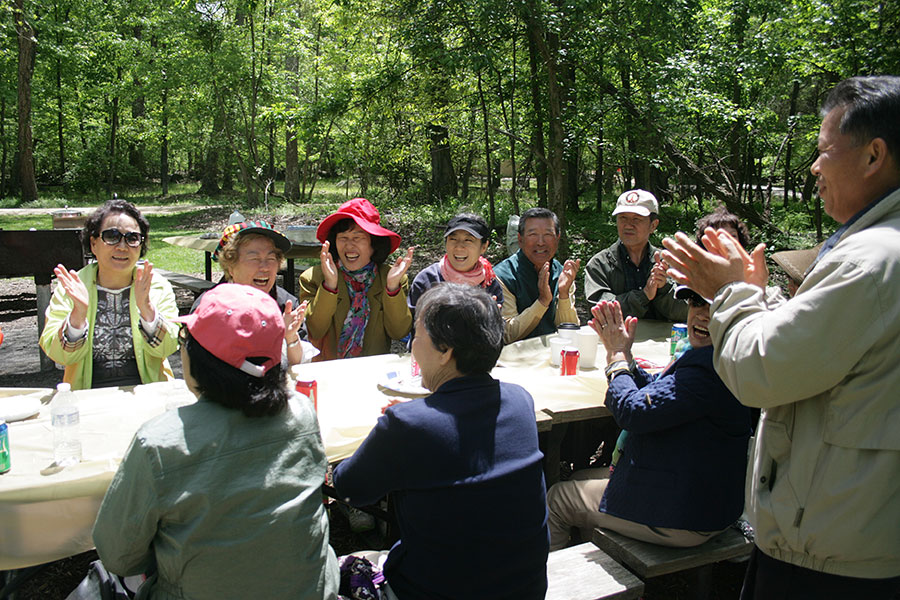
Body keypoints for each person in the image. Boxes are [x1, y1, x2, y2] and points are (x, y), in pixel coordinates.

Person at [661, 75, 900, 599]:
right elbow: (810, 352)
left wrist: (728, 294)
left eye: (823, 151)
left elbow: (762, 373)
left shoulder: (872, 261)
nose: (814, 167)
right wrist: (756, 295)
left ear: (873, 154)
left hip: (830, 562)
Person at [92, 284, 339, 599]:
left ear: (202, 360)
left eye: (185, 340)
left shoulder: (158, 442)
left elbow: (118, 555)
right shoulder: (301, 412)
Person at [332, 284, 549, 600]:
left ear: (446, 351)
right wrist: (414, 420)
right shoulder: (519, 401)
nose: (412, 346)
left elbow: (350, 488)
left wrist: (396, 431)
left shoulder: (407, 424)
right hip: (523, 589)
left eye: (417, 335)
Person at [546, 296, 751, 550]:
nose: (703, 315)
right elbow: (659, 393)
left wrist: (616, 358)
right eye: (696, 303)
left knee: (556, 499)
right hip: (701, 491)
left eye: (715, 307)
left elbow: (633, 412)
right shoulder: (724, 356)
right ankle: (606, 568)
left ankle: (554, 587)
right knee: (580, 476)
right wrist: (628, 359)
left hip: (688, 512)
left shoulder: (709, 368)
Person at [40, 199, 179, 390]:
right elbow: (58, 355)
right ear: (94, 243)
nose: (122, 247)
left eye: (132, 238)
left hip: (148, 392)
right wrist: (77, 317)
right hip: (86, 395)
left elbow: (169, 347)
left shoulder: (155, 287)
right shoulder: (72, 287)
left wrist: (147, 310)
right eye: (112, 236)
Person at [299, 198, 413, 360]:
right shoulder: (314, 278)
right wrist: (329, 286)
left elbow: (399, 331)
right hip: (326, 372)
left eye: (357, 238)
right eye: (343, 238)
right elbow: (315, 331)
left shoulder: (391, 278)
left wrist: (392, 288)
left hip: (374, 372)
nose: (349, 246)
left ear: (374, 243)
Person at [193, 220, 314, 365]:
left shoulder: (287, 306)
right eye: (254, 259)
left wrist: (289, 337)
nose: (264, 267)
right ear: (230, 267)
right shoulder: (208, 309)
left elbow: (300, 367)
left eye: (271, 258)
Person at [584, 189, 687, 321]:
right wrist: (643, 296)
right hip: (614, 340)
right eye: (623, 218)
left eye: (637, 219)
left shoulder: (668, 263)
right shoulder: (600, 264)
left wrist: (663, 288)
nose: (628, 225)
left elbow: (685, 312)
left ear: (653, 225)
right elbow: (597, 310)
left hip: (663, 341)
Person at [493, 207, 580, 343]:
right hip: (515, 359)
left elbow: (571, 332)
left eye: (548, 234)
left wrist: (563, 294)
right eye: (533, 234)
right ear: (520, 239)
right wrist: (542, 302)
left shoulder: (563, 274)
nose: (540, 242)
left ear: (557, 238)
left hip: (554, 355)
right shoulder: (503, 276)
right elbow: (507, 334)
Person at [407, 212, 503, 323]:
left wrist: (490, 321)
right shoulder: (427, 279)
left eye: (468, 240)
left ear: (484, 246)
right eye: (453, 239)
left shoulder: (489, 284)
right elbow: (412, 327)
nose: (459, 247)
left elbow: (496, 334)